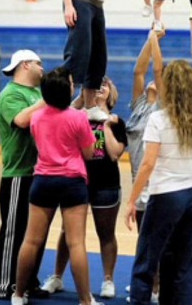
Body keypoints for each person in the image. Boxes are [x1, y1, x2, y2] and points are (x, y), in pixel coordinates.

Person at [125, 59, 192, 305]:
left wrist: (132, 201)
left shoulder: (159, 120)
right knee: (183, 268)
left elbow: (148, 163)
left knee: (146, 264)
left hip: (166, 195)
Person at [11, 67, 98, 305]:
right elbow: (89, 153)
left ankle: (18, 295)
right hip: (72, 182)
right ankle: (85, 301)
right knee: (76, 242)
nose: (73, 84)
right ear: (67, 89)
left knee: (31, 240)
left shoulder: (36, 117)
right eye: (71, 82)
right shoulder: (78, 117)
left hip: (43, 181)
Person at [41, 76, 127, 299]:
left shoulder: (117, 121)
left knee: (105, 233)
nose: (99, 88)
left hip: (106, 183)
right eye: (94, 86)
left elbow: (116, 153)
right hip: (76, 181)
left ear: (112, 92)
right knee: (67, 232)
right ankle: (57, 276)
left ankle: (108, 279)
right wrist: (83, 100)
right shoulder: (77, 116)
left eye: (104, 85)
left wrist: (106, 124)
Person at [0, 49, 48, 301]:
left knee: (36, 234)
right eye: (39, 63)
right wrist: (50, 99)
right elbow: (23, 120)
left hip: (40, 173)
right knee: (14, 231)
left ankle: (28, 281)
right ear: (25, 65)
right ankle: (3, 283)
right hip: (18, 175)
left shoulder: (37, 94)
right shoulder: (10, 94)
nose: (43, 68)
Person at [125, 29, 165, 303]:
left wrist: (155, 39)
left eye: (157, 81)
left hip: (156, 180)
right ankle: (148, 282)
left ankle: (157, 287)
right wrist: (148, 40)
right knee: (144, 238)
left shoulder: (161, 107)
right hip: (138, 181)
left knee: (155, 241)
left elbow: (158, 69)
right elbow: (139, 71)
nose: (151, 80)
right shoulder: (139, 105)